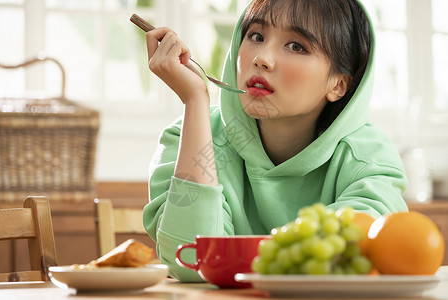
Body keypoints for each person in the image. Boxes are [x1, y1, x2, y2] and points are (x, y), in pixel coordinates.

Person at [143, 0, 408, 281]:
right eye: (256, 36)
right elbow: (191, 263)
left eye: (297, 46)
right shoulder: (189, 136)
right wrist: (194, 100)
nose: (263, 58)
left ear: (338, 84)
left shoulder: (370, 158)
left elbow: (351, 255)